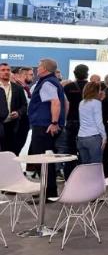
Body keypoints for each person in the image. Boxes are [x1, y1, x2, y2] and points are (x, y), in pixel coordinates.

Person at [28, 58, 66, 198]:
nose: (37, 68)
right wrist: (60, 122)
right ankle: (48, 190)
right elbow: (65, 103)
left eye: (39, 66)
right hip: (46, 125)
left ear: (44, 69)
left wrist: (54, 123)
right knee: (45, 159)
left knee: (42, 159)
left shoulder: (47, 83)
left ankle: (49, 192)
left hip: (44, 126)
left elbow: (55, 103)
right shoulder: (52, 81)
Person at [61, 64, 89, 179]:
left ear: (74, 73)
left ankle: (69, 176)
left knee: (70, 150)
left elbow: (63, 105)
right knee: (84, 150)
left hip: (71, 121)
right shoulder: (90, 87)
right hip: (87, 123)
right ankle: (82, 176)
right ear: (87, 74)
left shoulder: (68, 87)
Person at [0, 63, 28, 155]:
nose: (6, 72)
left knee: (11, 152)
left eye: (8, 70)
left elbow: (24, 106)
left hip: (12, 125)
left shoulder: (18, 88)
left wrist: (18, 112)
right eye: (3, 70)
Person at [77, 81, 105, 164]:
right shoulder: (97, 103)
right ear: (96, 91)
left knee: (85, 165)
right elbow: (99, 122)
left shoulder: (81, 103)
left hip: (81, 137)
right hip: (93, 137)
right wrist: (104, 136)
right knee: (96, 165)